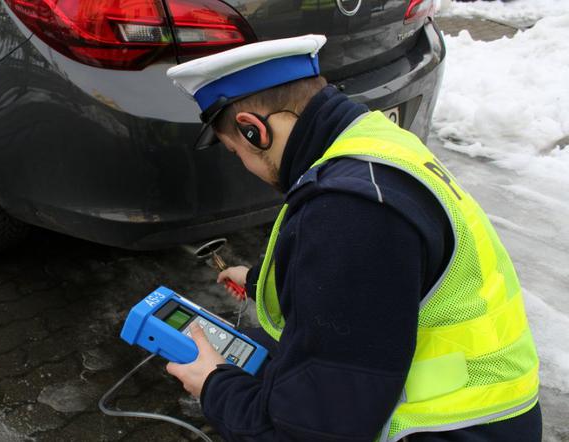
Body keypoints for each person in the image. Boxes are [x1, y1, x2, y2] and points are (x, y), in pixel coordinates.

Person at [164, 35, 542, 441]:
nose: (244, 165)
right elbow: (382, 281)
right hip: (490, 414)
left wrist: (213, 386)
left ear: (253, 131)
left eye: (236, 151)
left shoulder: (348, 213)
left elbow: (311, 432)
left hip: (444, 429)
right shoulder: (377, 144)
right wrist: (260, 281)